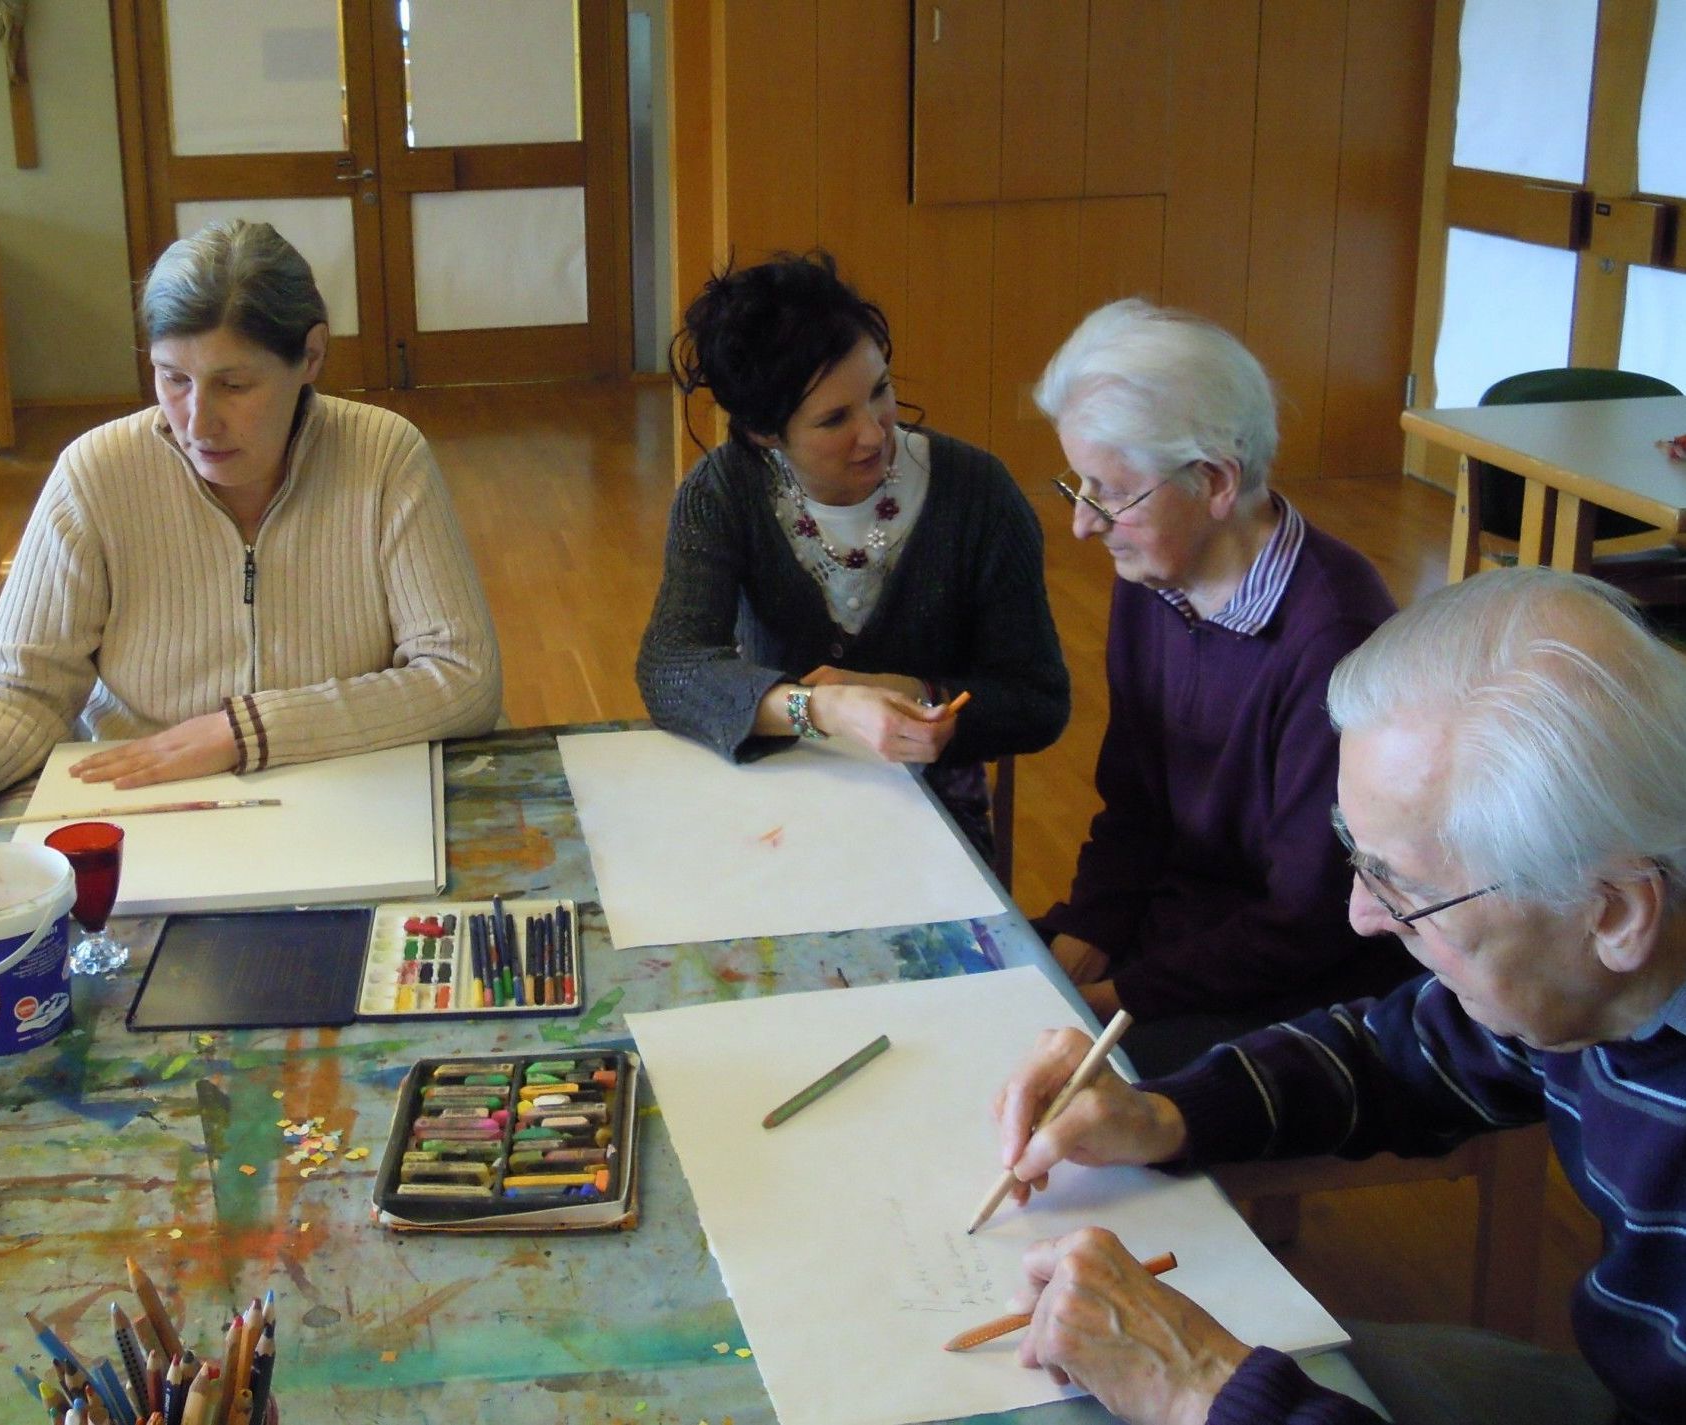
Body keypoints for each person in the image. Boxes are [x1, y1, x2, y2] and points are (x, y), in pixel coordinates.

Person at [992, 567, 1686, 1425]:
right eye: (1356, 855)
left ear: (1614, 911)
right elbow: (1399, 1054)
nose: (1361, 915)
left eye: (1404, 887)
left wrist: (1197, 1388)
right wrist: (1164, 1113)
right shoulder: (1580, 973)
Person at [0, 220, 500, 822]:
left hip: (354, 799)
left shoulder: (385, 457)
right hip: (149, 811)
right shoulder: (97, 472)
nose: (197, 421)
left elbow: (463, 680)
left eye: (234, 385)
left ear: (311, 357)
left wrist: (245, 731)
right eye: (173, 378)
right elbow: (24, 685)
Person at [1029, 298, 1410, 1073]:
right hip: (1184, 929)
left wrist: (1121, 995)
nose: (1083, 523)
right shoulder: (1155, 573)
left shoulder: (1336, 638)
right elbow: (1133, 798)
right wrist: (1092, 928)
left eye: (1111, 491)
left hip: (1301, 977)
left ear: (1213, 482)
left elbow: (1309, 919)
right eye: (1080, 485)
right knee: (969, 986)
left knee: (1074, 1095)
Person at [636, 252, 1068, 854]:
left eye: (881, 390)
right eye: (834, 419)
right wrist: (824, 709)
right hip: (780, 793)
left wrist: (923, 697)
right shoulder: (725, 490)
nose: (874, 431)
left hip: (931, 810)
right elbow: (672, 668)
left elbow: (1039, 699)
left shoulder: (977, 492)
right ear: (764, 432)